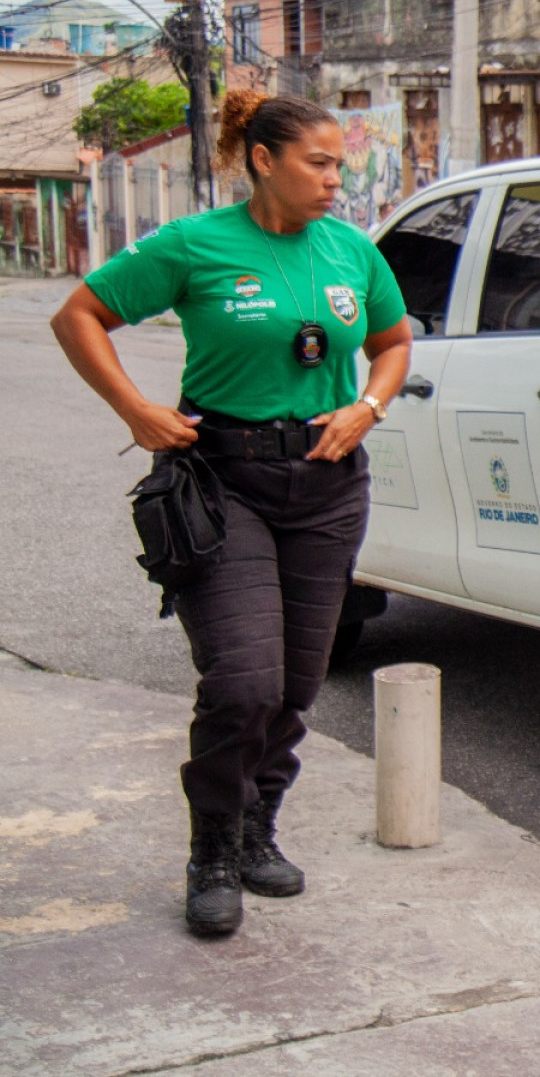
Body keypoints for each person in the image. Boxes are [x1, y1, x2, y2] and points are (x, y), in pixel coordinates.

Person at [50, 92, 411, 938]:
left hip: (327, 487)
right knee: (242, 681)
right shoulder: (194, 244)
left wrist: (368, 405)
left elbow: (394, 343)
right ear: (262, 158)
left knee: (294, 684)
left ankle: (258, 828)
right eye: (319, 163)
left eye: (339, 164)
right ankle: (211, 847)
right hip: (225, 484)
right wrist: (135, 410)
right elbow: (80, 316)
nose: (337, 178)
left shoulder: (352, 250)